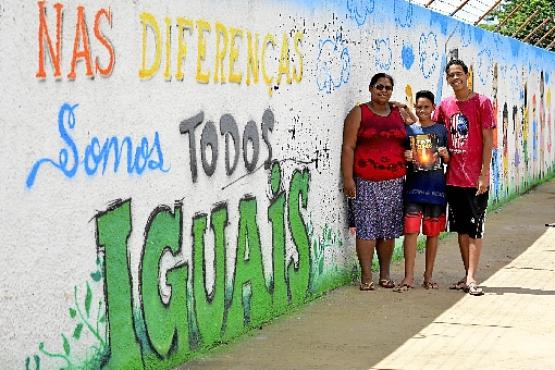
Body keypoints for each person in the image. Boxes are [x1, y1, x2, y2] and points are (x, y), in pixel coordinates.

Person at [342, 72, 416, 291]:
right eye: (379, 87)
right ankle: (366, 277)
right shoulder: (359, 112)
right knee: (366, 229)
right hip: (365, 181)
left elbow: (415, 128)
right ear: (370, 88)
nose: (383, 91)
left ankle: (384, 275)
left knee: (388, 230)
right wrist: (348, 178)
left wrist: (403, 108)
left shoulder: (397, 113)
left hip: (394, 181)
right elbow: (348, 147)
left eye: (387, 88)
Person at [433, 59, 495, 296]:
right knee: (460, 229)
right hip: (452, 179)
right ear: (447, 79)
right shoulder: (445, 105)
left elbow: (488, 140)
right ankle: (466, 275)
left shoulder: (482, 102)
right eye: (451, 75)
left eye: (459, 74)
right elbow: (432, 127)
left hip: (475, 180)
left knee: (475, 229)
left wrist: (484, 174)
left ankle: (471, 277)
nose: (455, 78)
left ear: (467, 75)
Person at [394, 90, 449, 293]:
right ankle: (408, 277)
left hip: (436, 190)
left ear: (433, 108)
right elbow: (399, 155)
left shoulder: (442, 130)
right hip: (413, 189)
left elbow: (450, 159)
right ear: (415, 107)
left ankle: (428, 276)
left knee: (433, 234)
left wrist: (445, 155)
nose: (422, 110)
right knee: (410, 232)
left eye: (426, 107)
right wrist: (405, 155)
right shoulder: (409, 131)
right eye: (419, 107)